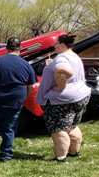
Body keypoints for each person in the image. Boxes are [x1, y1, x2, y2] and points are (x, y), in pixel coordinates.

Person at [35, 32, 90, 163]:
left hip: (62, 100)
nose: (54, 47)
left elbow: (63, 69)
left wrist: (60, 86)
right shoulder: (75, 56)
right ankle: (74, 152)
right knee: (72, 126)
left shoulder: (61, 58)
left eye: (55, 44)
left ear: (62, 45)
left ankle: (60, 158)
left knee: (58, 129)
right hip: (81, 95)